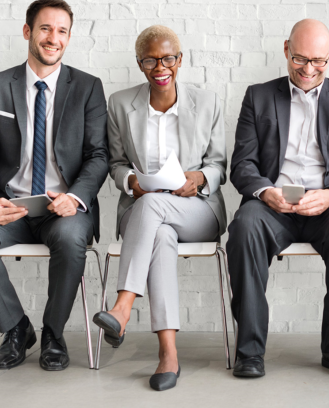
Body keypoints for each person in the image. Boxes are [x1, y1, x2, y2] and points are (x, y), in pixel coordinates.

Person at [226, 19, 329, 379]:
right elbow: (242, 164)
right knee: (243, 228)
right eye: (300, 59)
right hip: (273, 201)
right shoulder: (258, 96)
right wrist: (265, 191)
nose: (308, 70)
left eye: (319, 61)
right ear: (286, 49)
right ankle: (250, 351)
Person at [92, 25, 227, 391]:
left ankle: (122, 308)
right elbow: (117, 163)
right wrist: (130, 182)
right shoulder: (121, 104)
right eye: (150, 59)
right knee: (161, 235)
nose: (160, 66)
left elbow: (219, 165)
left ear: (180, 60)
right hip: (145, 214)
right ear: (140, 64)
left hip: (197, 210)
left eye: (168, 57)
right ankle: (168, 353)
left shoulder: (208, 101)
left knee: (154, 208)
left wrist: (197, 178)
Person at [0, 0, 108, 371]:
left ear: (69, 37)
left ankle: (53, 333)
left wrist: (75, 197)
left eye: (62, 31)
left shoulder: (88, 87)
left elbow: (99, 155)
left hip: (63, 208)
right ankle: (15, 326)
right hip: (11, 205)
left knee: (70, 239)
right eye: (45, 28)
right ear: (28, 32)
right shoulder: (1, 85)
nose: (53, 38)